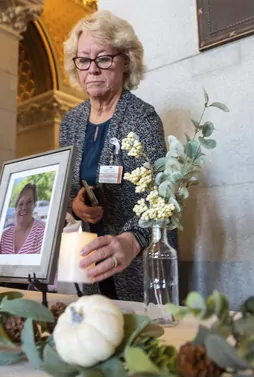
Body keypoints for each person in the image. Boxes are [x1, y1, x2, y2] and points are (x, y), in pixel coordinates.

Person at [59, 10, 177, 302]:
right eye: (84, 60)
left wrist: (132, 240)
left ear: (125, 61)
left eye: (103, 58)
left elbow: (160, 199)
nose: (93, 69)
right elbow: (66, 190)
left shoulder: (142, 117)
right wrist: (75, 205)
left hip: (134, 262)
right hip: (88, 260)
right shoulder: (70, 123)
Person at [0, 183, 46, 255]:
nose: (24, 207)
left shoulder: (43, 230)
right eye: (21, 204)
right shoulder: (4, 236)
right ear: (15, 207)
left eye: (29, 202)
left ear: (34, 205)